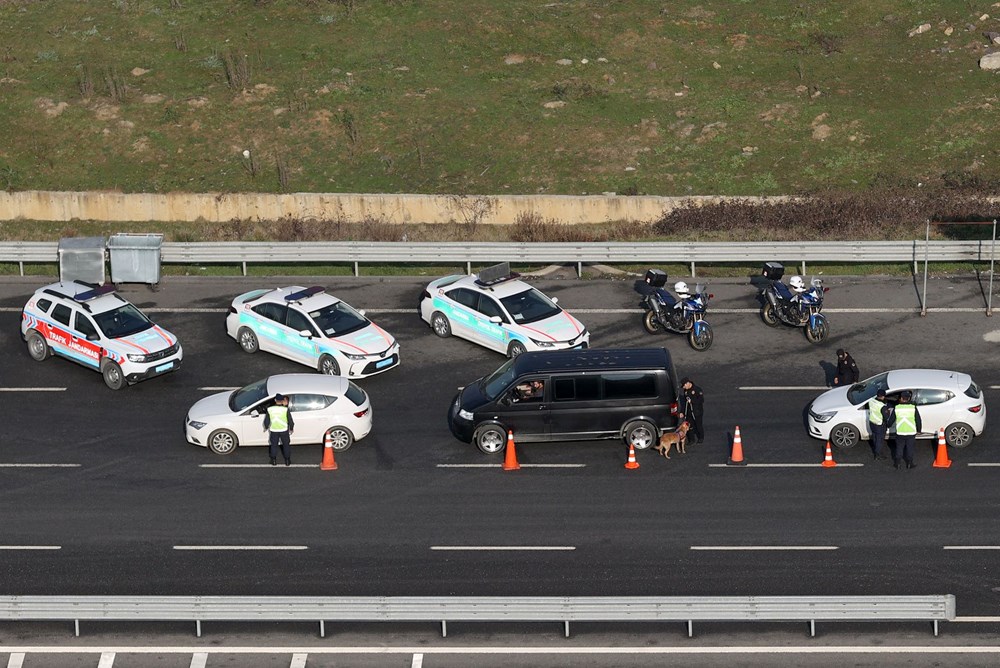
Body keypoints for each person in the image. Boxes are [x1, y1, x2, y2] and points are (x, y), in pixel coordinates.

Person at [885, 390, 920, 469]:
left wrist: (888, 425)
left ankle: (897, 463)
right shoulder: (913, 408)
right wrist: (919, 429)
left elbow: (891, 420)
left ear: (901, 398)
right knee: (909, 448)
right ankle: (909, 463)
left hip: (900, 432)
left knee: (899, 448)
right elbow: (918, 419)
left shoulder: (897, 408)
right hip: (911, 432)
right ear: (908, 398)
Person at [264, 393, 294, 466]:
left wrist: (266, 426)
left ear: (275, 400)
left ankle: (273, 460)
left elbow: (266, 421)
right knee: (286, 445)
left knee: (274, 445)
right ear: (282, 401)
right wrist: (291, 428)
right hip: (284, 430)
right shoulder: (285, 409)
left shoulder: (270, 409)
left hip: (274, 430)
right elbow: (290, 420)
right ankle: (287, 461)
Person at [680, 377, 705, 444]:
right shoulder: (685, 391)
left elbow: (701, 400)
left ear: (688, 383)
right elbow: (685, 402)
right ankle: (691, 440)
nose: (684, 387)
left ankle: (701, 437)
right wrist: (682, 412)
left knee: (698, 425)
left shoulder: (697, 390)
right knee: (689, 425)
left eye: (684, 385)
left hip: (697, 411)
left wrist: (692, 401)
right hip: (689, 412)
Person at [867, 388, 889, 460]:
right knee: (879, 440)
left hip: (872, 422)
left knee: (875, 438)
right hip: (879, 425)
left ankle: (876, 449)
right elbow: (886, 417)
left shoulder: (871, 401)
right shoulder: (882, 406)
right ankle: (878, 455)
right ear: (883, 396)